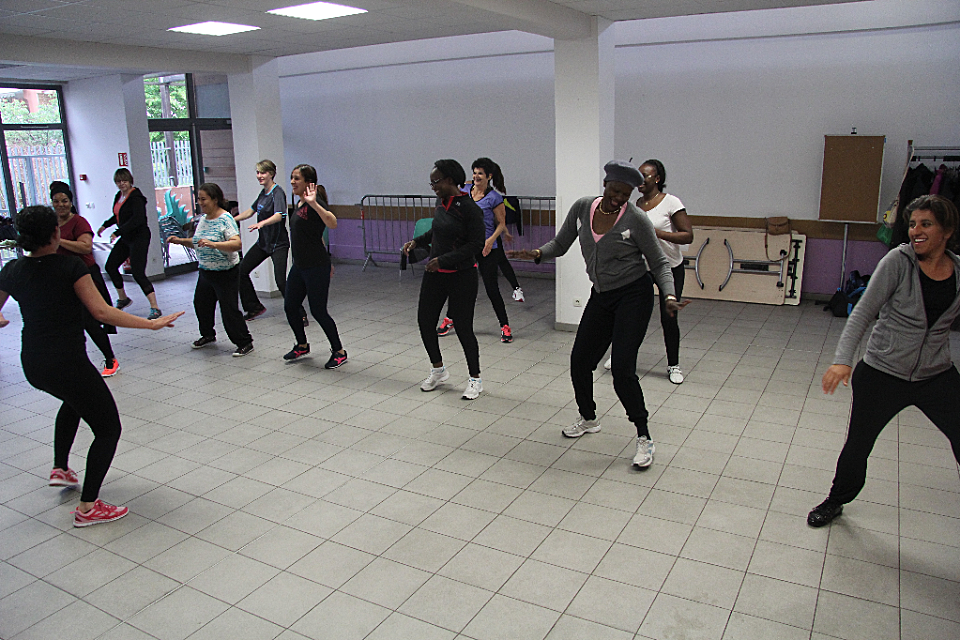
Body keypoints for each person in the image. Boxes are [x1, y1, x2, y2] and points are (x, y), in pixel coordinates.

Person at [0, 205, 183, 526]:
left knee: (73, 403)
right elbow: (101, 312)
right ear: (55, 234)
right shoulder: (70, 267)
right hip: (67, 363)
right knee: (108, 428)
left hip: (33, 363)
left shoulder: (12, 270)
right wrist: (149, 323)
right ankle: (88, 507)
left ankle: (60, 468)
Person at [509, 160, 682, 468]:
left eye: (625, 194)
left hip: (634, 296)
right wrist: (537, 254)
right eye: (615, 191)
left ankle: (644, 437)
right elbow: (561, 244)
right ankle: (588, 418)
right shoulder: (582, 208)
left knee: (622, 371)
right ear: (605, 185)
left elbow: (658, 263)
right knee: (580, 362)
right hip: (601, 296)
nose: (619, 198)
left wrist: (668, 294)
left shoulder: (637, 219)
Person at [808, 194, 960, 527]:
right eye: (912, 224)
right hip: (882, 372)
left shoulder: (958, 271)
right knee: (858, 445)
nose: (915, 231)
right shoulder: (898, 262)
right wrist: (842, 360)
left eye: (926, 224)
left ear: (946, 230)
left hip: (936, 374)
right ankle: (836, 500)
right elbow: (863, 312)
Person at [603, 159, 693, 384]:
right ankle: (619, 356)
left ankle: (674, 365)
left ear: (657, 179)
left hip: (669, 267)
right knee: (628, 314)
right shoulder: (635, 204)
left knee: (668, 316)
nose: (640, 180)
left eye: (645, 175)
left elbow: (687, 235)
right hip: (640, 269)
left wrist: (655, 234)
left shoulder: (671, 202)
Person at [403, 159, 485, 399]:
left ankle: (475, 379)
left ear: (450, 180)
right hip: (435, 275)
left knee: (462, 327)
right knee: (425, 321)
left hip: (462, 276)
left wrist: (444, 260)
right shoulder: (441, 203)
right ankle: (438, 370)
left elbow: (476, 245)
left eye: (435, 182)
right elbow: (437, 231)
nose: (433, 186)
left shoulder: (469, 208)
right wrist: (418, 241)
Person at [436, 158, 524, 343]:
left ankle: (504, 326)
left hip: (487, 248)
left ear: (489, 176)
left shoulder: (494, 198)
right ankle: (449, 319)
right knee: (459, 285)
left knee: (492, 288)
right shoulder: (466, 190)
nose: (476, 176)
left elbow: (501, 224)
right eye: (474, 172)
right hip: (467, 246)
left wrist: (490, 241)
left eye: (480, 173)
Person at [167, 183, 254, 357]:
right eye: (198, 199)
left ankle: (244, 341)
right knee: (201, 304)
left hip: (226, 272)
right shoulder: (203, 219)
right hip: (206, 271)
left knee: (229, 309)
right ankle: (207, 334)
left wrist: (214, 244)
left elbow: (237, 244)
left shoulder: (226, 218)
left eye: (204, 199)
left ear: (215, 200)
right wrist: (179, 241)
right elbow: (197, 242)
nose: (200, 202)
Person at [281, 164, 348, 369]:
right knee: (290, 306)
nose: (292, 182)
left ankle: (339, 351)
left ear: (309, 184)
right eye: (292, 178)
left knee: (318, 311)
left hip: (315, 266)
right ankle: (302, 344)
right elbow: (316, 235)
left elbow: (332, 223)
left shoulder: (314, 202)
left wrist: (315, 204)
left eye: (297, 179)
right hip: (300, 266)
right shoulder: (300, 204)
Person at [51, 181, 120, 377]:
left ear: (70, 202)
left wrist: (59, 241)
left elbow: (85, 247)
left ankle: (110, 358)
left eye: (64, 201)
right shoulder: (51, 223)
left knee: (89, 320)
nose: (61, 204)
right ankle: (72, 361)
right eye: (56, 201)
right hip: (62, 278)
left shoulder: (79, 222)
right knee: (66, 322)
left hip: (85, 276)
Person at [233, 159, 307, 324]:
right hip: (264, 243)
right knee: (241, 271)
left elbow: (279, 215)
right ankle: (254, 307)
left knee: (281, 281)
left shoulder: (277, 192)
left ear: (271, 174)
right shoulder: (263, 193)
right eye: (258, 173)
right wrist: (230, 220)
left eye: (263, 173)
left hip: (278, 244)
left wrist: (262, 223)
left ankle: (299, 312)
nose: (260, 176)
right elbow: (250, 212)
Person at [98, 168, 162, 319]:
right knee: (110, 266)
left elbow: (137, 219)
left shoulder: (136, 197)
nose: (122, 184)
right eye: (119, 182)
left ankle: (155, 307)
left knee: (138, 272)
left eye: (124, 181)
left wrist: (117, 232)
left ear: (130, 181)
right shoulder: (118, 196)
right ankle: (123, 298)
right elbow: (117, 215)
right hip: (126, 236)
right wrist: (105, 225)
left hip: (139, 236)